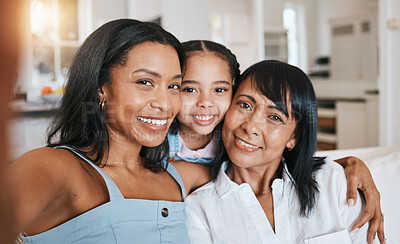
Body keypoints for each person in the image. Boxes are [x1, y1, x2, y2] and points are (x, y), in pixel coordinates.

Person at [6, 19, 209, 243]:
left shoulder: (179, 177)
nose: (166, 104)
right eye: (145, 82)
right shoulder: (55, 168)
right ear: (100, 87)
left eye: (173, 87)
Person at [170, 40, 384, 239]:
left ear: (294, 137)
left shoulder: (334, 182)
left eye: (274, 117)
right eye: (245, 105)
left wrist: (350, 163)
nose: (251, 126)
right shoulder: (198, 207)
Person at [168, 40, 240, 165]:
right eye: (190, 90)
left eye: (219, 90)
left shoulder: (238, 144)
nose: (206, 102)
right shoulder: (153, 140)